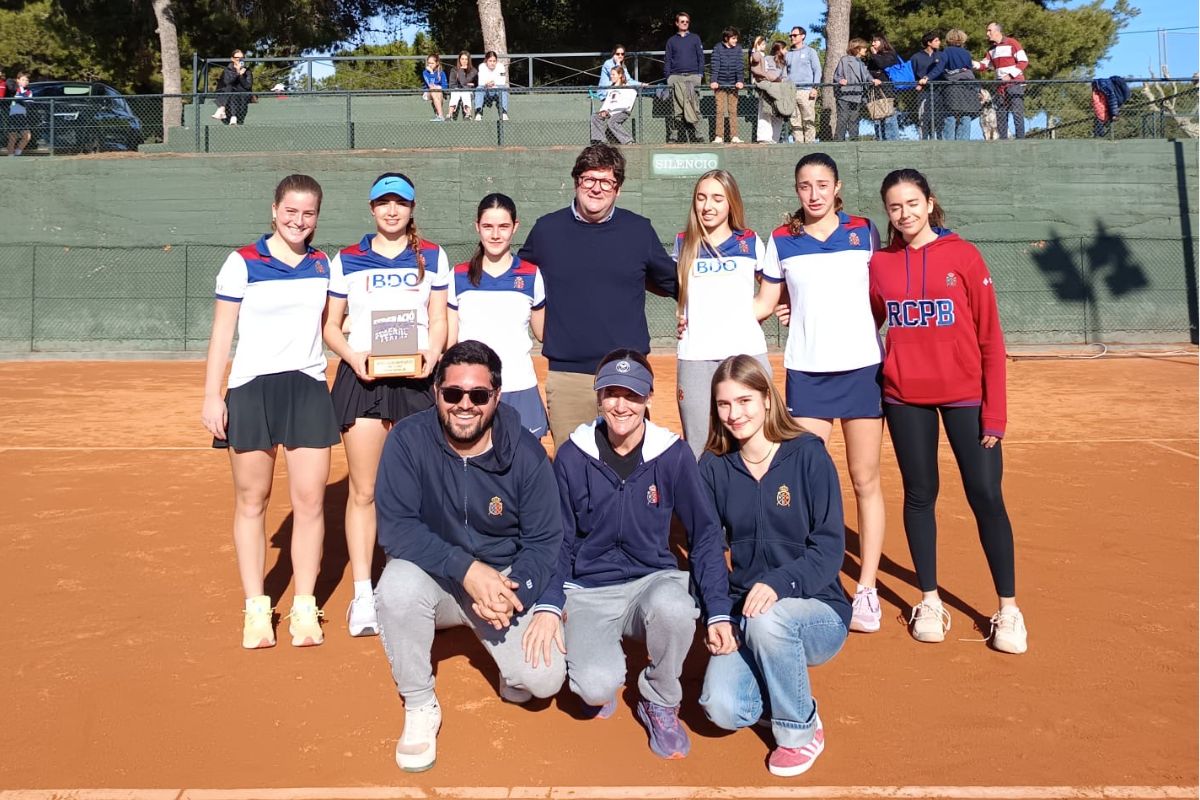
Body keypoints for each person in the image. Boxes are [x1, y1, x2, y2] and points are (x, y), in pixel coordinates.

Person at [522, 350, 735, 760]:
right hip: (590, 589)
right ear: (598, 397)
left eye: (632, 395)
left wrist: (720, 610)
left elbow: (706, 534)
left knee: (675, 608)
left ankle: (659, 698)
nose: (622, 405)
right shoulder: (571, 455)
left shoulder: (671, 455)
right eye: (612, 394)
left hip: (653, 581)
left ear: (648, 398)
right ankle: (601, 657)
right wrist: (550, 602)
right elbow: (559, 538)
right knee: (594, 687)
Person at [374, 340, 567, 773]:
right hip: (437, 580)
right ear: (436, 392)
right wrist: (465, 569)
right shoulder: (407, 440)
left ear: (496, 397)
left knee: (543, 680)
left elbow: (544, 540)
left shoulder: (526, 453)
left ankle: (505, 660)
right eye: (453, 393)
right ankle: (420, 704)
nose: (465, 405)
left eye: (479, 395)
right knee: (396, 588)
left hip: (501, 585)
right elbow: (397, 529)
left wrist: (513, 592)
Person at [869, 168, 1027, 654]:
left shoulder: (963, 255)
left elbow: (990, 340)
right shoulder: (880, 264)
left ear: (930, 203)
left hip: (966, 397)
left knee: (985, 494)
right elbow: (865, 320)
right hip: (904, 398)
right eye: (895, 206)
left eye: (912, 203)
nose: (905, 213)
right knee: (920, 494)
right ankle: (930, 600)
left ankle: (1009, 609)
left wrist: (994, 415)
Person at [200, 174, 339, 650]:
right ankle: (256, 608)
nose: (298, 221)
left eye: (308, 213)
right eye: (290, 211)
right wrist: (211, 395)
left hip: (307, 388)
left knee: (310, 502)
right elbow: (222, 334)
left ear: (317, 217)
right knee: (251, 501)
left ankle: (304, 606)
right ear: (274, 210)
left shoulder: (324, 264)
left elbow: (332, 327)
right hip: (251, 390)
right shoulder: (241, 263)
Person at [699, 355, 850, 777]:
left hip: (816, 610)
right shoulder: (714, 466)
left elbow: (829, 548)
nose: (734, 414)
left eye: (744, 400)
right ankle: (778, 680)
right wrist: (718, 613)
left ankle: (801, 730)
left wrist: (781, 583)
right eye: (724, 405)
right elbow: (708, 550)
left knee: (770, 620)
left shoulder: (808, 456)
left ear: (767, 399)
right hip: (748, 613)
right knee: (723, 707)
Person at [323, 173, 449, 639]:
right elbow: (332, 326)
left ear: (412, 208)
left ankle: (417, 587)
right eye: (383, 203)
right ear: (371, 208)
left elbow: (438, 319)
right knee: (364, 490)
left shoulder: (432, 255)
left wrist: (432, 357)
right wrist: (355, 357)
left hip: (417, 380)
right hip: (364, 379)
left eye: (400, 203)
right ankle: (362, 594)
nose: (392, 211)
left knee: (424, 488)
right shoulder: (348, 258)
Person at [766, 153, 886, 635]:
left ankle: (868, 588)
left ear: (837, 187)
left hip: (861, 371)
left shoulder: (865, 232)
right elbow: (766, 298)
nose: (812, 194)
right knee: (808, 481)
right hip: (808, 375)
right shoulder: (781, 239)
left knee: (864, 479)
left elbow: (882, 294)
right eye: (803, 185)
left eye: (821, 184)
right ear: (796, 190)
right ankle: (810, 577)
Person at [516, 143, 676, 447]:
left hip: (625, 376)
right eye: (589, 179)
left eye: (606, 182)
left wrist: (687, 314)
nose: (597, 188)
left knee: (628, 469)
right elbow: (515, 279)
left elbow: (676, 284)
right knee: (570, 471)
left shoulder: (639, 231)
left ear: (618, 189)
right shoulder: (547, 231)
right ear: (577, 181)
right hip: (568, 378)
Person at [673, 169, 778, 458]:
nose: (708, 206)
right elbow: (678, 292)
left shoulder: (750, 241)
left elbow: (772, 290)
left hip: (746, 354)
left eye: (718, 198)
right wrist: (682, 316)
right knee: (697, 447)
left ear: (731, 201)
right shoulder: (683, 243)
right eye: (701, 198)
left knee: (755, 443)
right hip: (696, 358)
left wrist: (759, 311)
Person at [447, 194, 548, 438]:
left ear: (515, 227)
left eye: (503, 227)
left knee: (521, 465)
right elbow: (450, 343)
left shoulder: (531, 275)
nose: (495, 235)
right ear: (477, 227)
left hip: (519, 386)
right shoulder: (458, 275)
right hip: (471, 391)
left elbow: (543, 333)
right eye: (488, 227)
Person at [975, 22, 1029, 139]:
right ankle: (1003, 142)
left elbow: (1023, 61)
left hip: (1015, 84)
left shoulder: (1012, 43)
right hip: (1000, 87)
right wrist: (971, 63)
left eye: (989, 30)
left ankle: (1021, 141)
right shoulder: (991, 49)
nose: (987, 33)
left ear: (997, 31)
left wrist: (1010, 75)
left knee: (1017, 114)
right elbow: (984, 65)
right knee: (1001, 115)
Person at [663, 10, 704, 142]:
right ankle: (675, 137)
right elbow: (667, 60)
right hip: (676, 77)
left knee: (694, 107)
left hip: (693, 77)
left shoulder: (695, 38)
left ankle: (698, 136)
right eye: (682, 21)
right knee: (677, 109)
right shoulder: (671, 41)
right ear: (677, 23)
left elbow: (701, 58)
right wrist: (668, 77)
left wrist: (700, 75)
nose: (685, 24)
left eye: (687, 22)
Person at [750, 39, 793, 144]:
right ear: (779, 49)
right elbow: (764, 72)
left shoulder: (784, 62)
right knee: (765, 113)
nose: (786, 51)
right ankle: (764, 138)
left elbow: (784, 76)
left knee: (778, 114)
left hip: (779, 91)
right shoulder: (767, 58)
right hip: (766, 90)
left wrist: (782, 81)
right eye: (785, 48)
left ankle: (775, 138)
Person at [940, 29, 980, 140]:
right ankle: (963, 143)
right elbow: (969, 69)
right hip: (967, 86)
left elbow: (941, 68)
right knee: (966, 116)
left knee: (950, 116)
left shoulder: (946, 52)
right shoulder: (966, 53)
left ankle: (949, 143)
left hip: (951, 87)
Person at [784, 26, 821, 143]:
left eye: (794, 35)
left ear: (802, 36)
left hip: (807, 91)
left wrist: (815, 88)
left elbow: (817, 70)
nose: (792, 37)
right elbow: (784, 73)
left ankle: (810, 146)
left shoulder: (811, 51)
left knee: (808, 120)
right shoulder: (788, 54)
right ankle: (798, 146)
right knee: (794, 121)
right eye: (791, 36)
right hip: (791, 91)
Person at [709, 26, 745, 144]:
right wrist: (713, 80)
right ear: (726, 38)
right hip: (720, 85)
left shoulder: (738, 49)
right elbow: (715, 65)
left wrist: (740, 80)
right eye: (733, 38)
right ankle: (719, 136)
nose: (735, 40)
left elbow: (740, 66)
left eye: (736, 38)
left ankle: (734, 136)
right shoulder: (718, 48)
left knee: (733, 110)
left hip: (734, 85)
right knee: (720, 110)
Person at [832, 38, 871, 141]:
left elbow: (867, 76)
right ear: (856, 49)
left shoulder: (862, 63)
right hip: (845, 94)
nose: (865, 50)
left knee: (854, 119)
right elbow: (837, 76)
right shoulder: (845, 60)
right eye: (863, 48)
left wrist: (874, 80)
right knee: (843, 118)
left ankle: (854, 142)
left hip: (857, 95)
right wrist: (840, 80)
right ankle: (839, 141)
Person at [865, 35, 901, 141]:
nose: (873, 44)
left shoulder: (890, 54)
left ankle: (892, 141)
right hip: (875, 91)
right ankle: (880, 140)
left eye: (875, 41)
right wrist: (875, 73)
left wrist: (875, 55)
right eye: (872, 42)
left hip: (888, 90)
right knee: (877, 119)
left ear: (882, 42)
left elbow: (883, 64)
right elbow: (868, 71)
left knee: (889, 118)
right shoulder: (872, 57)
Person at [591, 65, 637, 145]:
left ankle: (628, 141)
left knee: (611, 122)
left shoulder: (628, 89)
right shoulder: (611, 89)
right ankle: (599, 141)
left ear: (620, 75)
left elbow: (627, 104)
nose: (611, 76)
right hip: (609, 112)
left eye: (613, 74)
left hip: (622, 111)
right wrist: (603, 111)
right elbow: (607, 102)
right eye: (611, 74)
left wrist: (611, 111)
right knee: (595, 117)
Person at [911, 31, 945, 140]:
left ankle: (940, 142)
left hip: (939, 92)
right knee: (923, 119)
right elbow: (912, 74)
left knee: (939, 120)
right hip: (923, 93)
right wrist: (917, 84)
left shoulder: (941, 55)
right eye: (936, 40)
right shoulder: (916, 57)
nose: (939, 42)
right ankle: (924, 142)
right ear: (929, 43)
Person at [214, 50, 252, 126]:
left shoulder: (247, 71)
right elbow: (227, 82)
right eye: (237, 57)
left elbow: (247, 86)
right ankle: (233, 117)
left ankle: (222, 109)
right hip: (230, 94)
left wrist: (241, 76)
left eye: (242, 57)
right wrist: (237, 73)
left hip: (242, 94)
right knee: (231, 88)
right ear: (232, 59)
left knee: (232, 89)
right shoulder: (227, 70)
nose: (239, 59)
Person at [473, 51, 509, 121]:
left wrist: (493, 82)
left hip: (497, 89)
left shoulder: (501, 66)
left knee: (504, 88)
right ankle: (478, 113)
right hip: (486, 89)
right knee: (478, 89)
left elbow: (502, 80)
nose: (492, 63)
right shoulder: (481, 66)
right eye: (490, 61)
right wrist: (487, 84)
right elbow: (481, 82)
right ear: (486, 61)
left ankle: (504, 113)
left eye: (494, 61)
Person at [5, 71, 31, 156]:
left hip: (23, 117)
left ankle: (17, 153)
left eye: (26, 80)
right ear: (18, 80)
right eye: (23, 79)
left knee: (27, 136)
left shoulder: (29, 92)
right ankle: (10, 156)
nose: (25, 81)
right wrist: (19, 97)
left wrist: (21, 99)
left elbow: (29, 102)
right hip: (12, 116)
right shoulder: (13, 89)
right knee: (13, 137)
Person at [447, 51, 477, 121]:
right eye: (462, 59)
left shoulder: (473, 70)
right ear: (459, 60)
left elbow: (463, 82)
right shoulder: (454, 70)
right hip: (456, 89)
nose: (464, 61)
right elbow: (451, 84)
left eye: (466, 59)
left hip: (468, 91)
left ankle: (468, 114)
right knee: (455, 93)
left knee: (465, 92)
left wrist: (461, 71)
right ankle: (449, 115)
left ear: (469, 60)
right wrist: (466, 84)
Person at [421, 53, 448, 122]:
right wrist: (431, 72)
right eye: (428, 63)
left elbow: (445, 86)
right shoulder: (425, 72)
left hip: (439, 93)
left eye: (432, 63)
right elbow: (430, 85)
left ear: (437, 63)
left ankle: (439, 115)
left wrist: (439, 87)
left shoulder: (442, 73)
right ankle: (441, 115)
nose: (430, 65)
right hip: (428, 93)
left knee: (437, 92)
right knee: (433, 90)